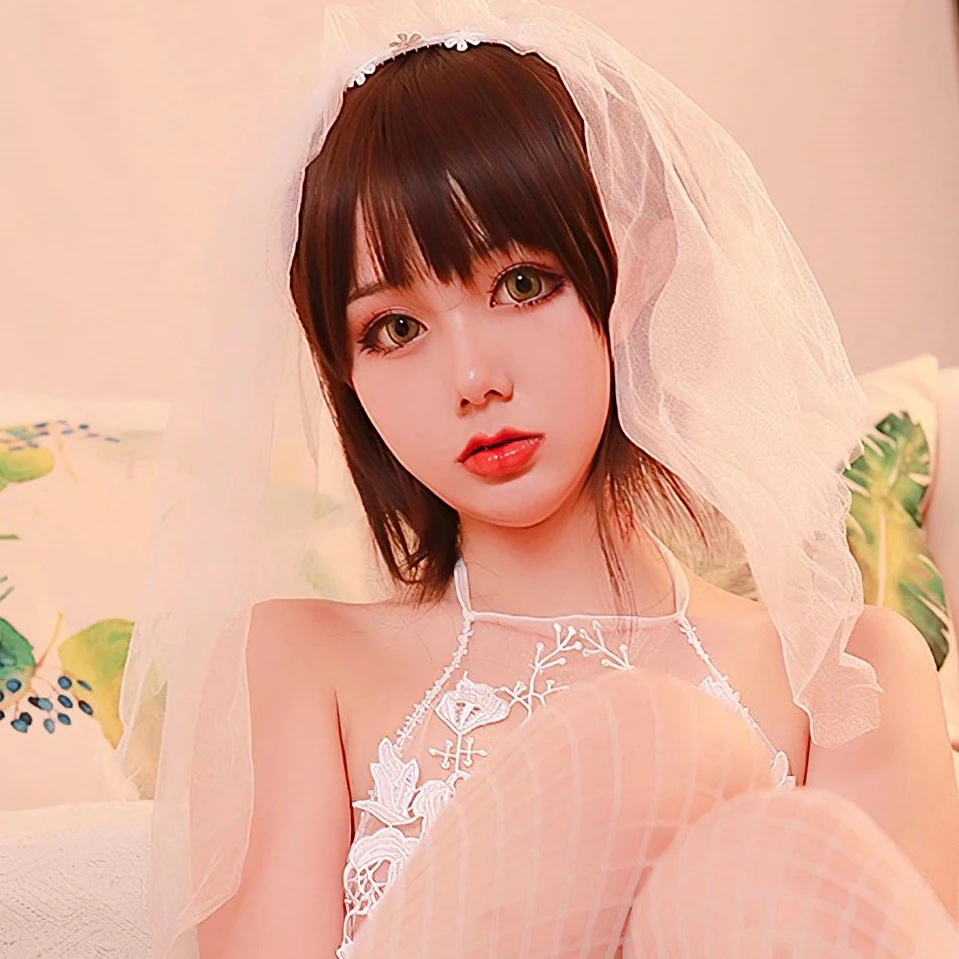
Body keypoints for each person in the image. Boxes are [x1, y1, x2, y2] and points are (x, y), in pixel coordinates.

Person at [116, 2, 959, 957]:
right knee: (666, 745)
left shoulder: (845, 679)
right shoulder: (296, 663)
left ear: (633, 278)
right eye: (394, 328)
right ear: (343, 372)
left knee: (742, 856)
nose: (473, 378)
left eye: (521, 283)